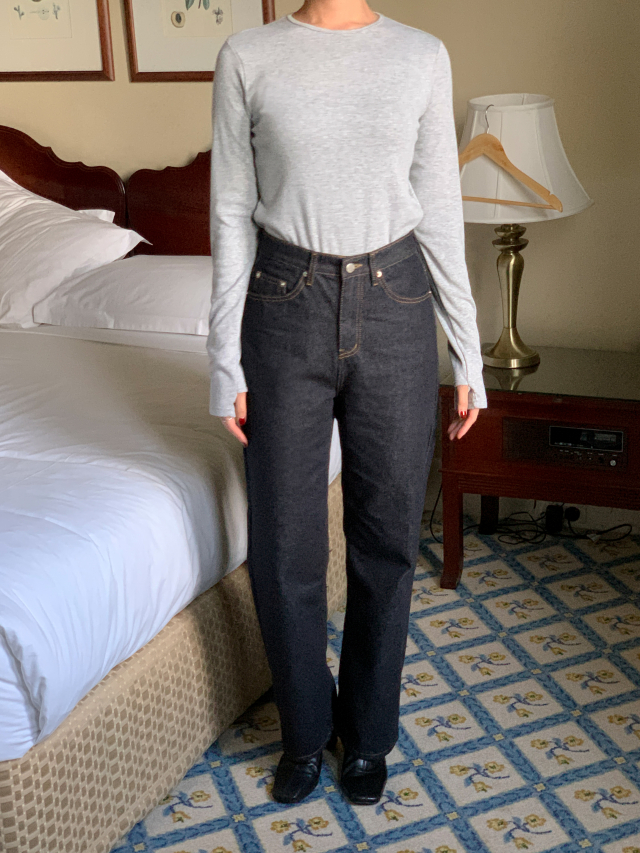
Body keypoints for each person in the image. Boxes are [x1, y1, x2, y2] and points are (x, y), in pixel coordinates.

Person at [207, 0, 487, 807]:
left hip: (397, 301)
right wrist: (222, 357)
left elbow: (440, 206)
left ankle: (366, 735)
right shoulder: (248, 56)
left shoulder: (421, 55)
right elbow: (230, 212)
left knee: (386, 540)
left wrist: (468, 351)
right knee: (284, 542)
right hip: (282, 303)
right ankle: (304, 731)